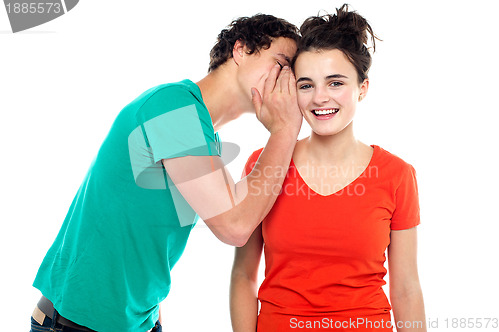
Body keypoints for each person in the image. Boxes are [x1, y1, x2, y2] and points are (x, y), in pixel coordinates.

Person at [31, 14, 302, 332]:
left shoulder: (201, 135)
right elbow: (235, 227)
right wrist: (285, 130)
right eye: (282, 64)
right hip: (76, 324)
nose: (287, 82)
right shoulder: (172, 107)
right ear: (241, 50)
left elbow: (238, 209)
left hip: (137, 322)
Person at [230, 4, 426, 331]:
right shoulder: (261, 165)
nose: (320, 97)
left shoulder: (397, 175)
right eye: (306, 85)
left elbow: (405, 288)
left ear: (362, 88)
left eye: (335, 83)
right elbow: (243, 275)